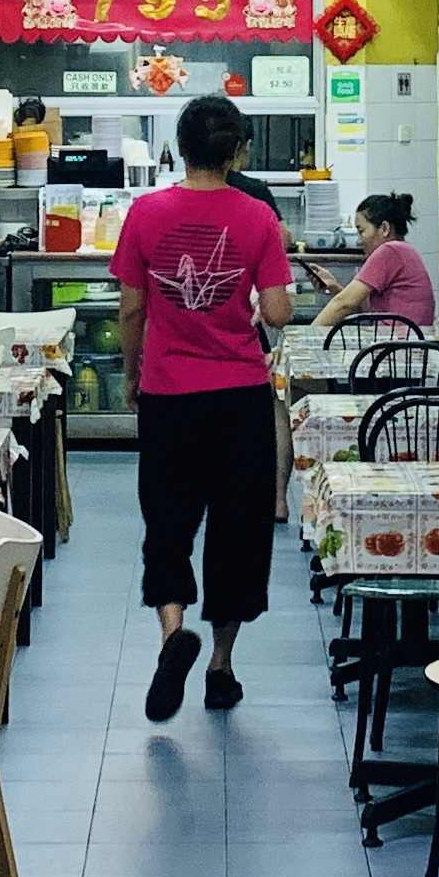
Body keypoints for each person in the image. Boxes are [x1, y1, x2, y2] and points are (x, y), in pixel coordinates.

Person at [111, 90, 293, 721]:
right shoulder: (257, 217)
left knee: (167, 523)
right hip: (240, 398)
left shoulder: (145, 214)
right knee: (237, 533)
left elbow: (131, 309)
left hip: (169, 394)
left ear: (181, 148)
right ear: (236, 150)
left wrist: (133, 377)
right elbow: (276, 311)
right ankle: (220, 666)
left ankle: (172, 634)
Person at [305, 193, 434, 335]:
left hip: (399, 348)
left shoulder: (391, 250)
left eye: (362, 231)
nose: (358, 241)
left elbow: (344, 304)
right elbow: (364, 311)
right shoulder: (404, 251)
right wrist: (334, 286)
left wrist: (306, 336)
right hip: (402, 345)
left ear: (385, 228)